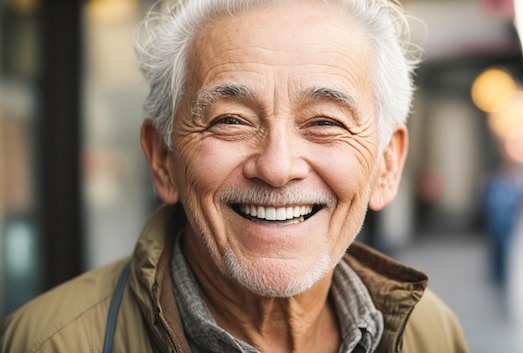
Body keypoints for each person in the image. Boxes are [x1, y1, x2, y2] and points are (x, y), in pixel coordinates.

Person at [1, 1, 470, 352]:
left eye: (325, 122)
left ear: (387, 164)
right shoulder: (45, 342)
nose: (277, 166)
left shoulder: (430, 333)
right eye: (231, 121)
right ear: (163, 159)